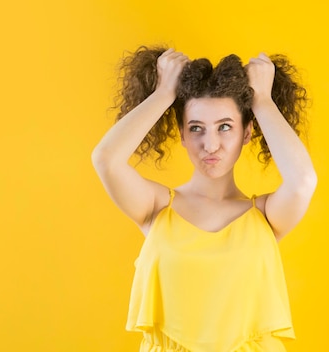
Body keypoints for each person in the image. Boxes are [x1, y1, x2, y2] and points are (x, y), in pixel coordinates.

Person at [91, 46, 317, 351]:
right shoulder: (157, 207)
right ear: (182, 135)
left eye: (225, 127)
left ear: (247, 132)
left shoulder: (266, 215)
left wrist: (262, 101)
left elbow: (303, 181)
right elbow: (106, 159)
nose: (211, 145)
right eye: (196, 128)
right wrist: (163, 94)